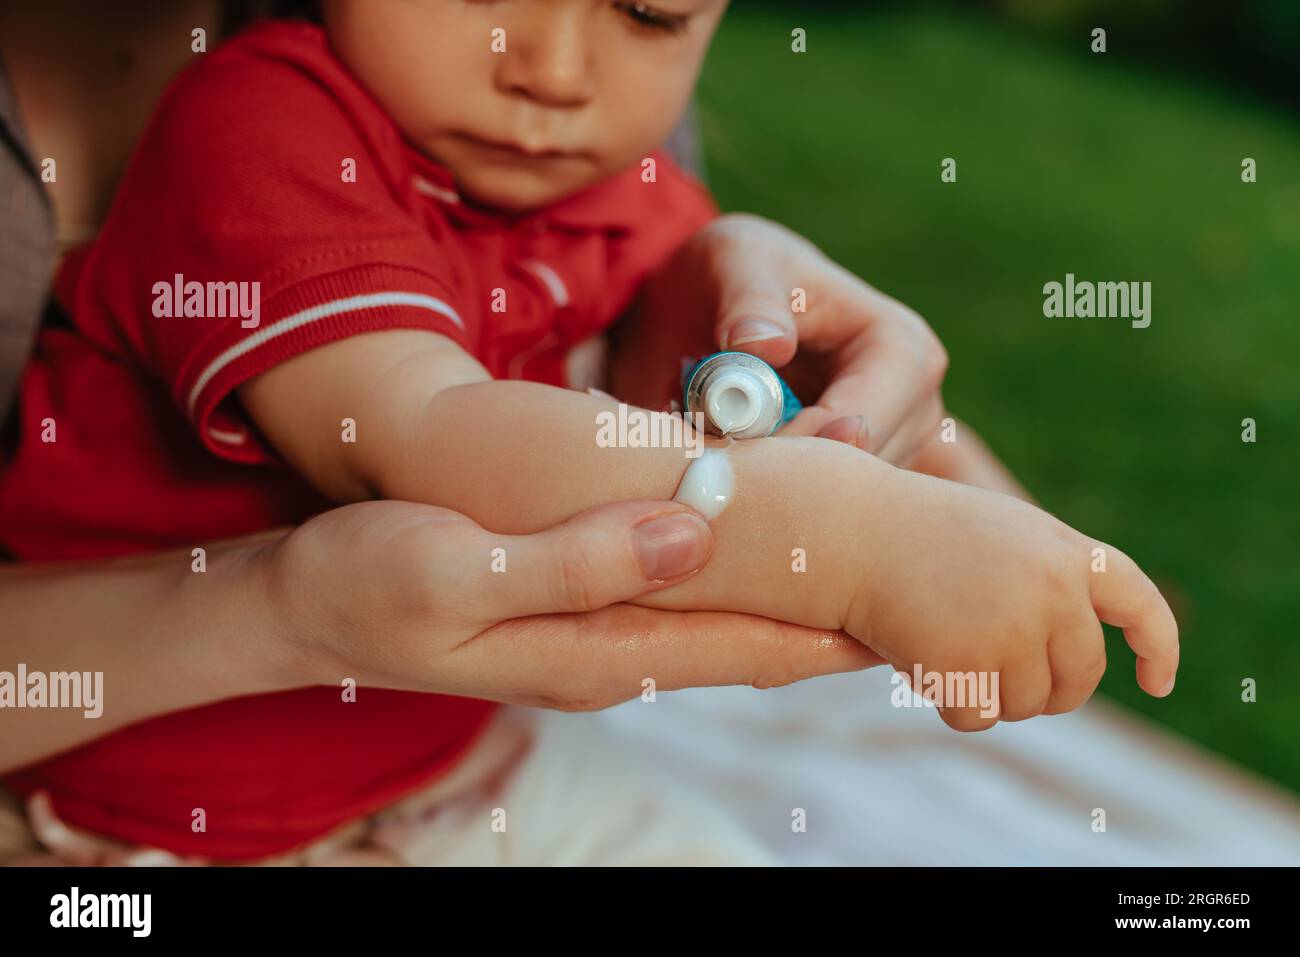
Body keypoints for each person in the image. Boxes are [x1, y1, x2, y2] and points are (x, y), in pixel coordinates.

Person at [1, 0, 1177, 863]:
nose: (556, 71)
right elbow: (420, 428)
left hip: (440, 761)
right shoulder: (258, 128)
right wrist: (865, 543)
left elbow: (790, 410)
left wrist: (979, 514)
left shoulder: (601, 174)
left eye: (650, 13)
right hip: (132, 820)